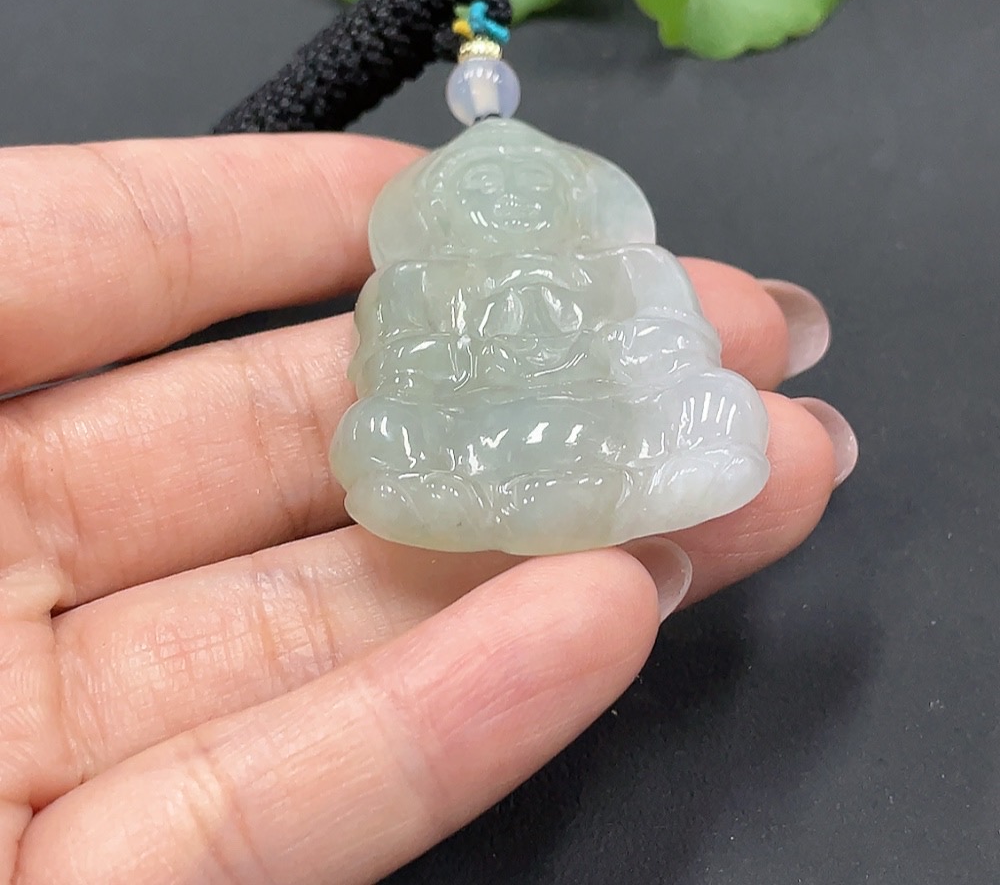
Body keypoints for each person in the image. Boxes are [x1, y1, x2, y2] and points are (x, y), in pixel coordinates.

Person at [0, 132, 856, 884]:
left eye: (533, 188)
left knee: (717, 403)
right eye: (484, 191)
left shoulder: (629, 266)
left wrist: (627, 354)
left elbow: (673, 348)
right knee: (378, 435)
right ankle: (506, 494)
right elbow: (399, 373)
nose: (511, 204)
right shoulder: (413, 286)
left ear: (575, 201)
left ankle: (590, 482)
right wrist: (466, 367)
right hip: (478, 434)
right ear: (442, 213)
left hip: (602, 419)